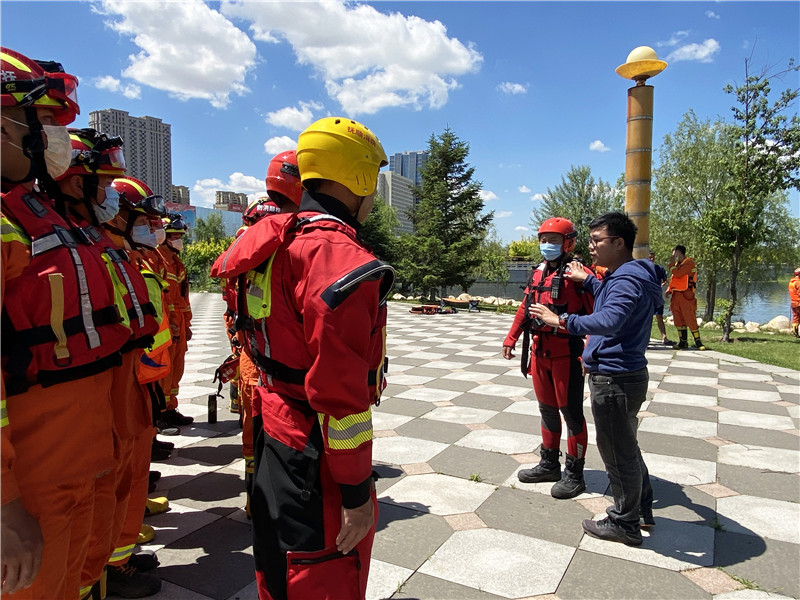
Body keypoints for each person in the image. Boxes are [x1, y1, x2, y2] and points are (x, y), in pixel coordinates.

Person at [211, 116, 394, 600]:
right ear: (359, 177)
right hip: (317, 454)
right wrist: (356, 494)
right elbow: (340, 396)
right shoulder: (338, 257)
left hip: (275, 428)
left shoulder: (274, 239)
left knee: (278, 567)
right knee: (323, 575)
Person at [1, 48, 130, 598]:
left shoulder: (31, 214)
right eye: (47, 121)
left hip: (80, 455)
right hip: (30, 478)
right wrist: (4, 506)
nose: (57, 138)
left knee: (77, 578)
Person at [54, 128, 164, 598]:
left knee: (112, 489)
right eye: (103, 189)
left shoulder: (103, 249)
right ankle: (103, 574)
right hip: (82, 405)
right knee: (79, 514)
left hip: (123, 387)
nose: (110, 202)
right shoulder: (76, 248)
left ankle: (108, 567)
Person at [529, 212, 663, 547]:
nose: (591, 248)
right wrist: (589, 282)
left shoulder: (626, 279)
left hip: (615, 378)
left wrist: (562, 321)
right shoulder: (628, 275)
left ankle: (624, 522)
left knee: (617, 452)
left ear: (618, 243)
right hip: (621, 374)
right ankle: (640, 508)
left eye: (596, 241)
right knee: (626, 447)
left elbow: (610, 318)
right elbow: (612, 298)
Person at [221, 150, 303, 519]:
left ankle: (262, 497)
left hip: (256, 351)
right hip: (270, 358)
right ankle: (263, 501)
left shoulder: (253, 243)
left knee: (259, 430)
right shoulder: (285, 241)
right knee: (264, 431)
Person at [502, 218, 594, 499]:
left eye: (554, 240)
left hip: (567, 354)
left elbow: (597, 316)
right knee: (547, 410)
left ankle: (575, 474)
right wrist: (511, 337)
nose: (547, 245)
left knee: (572, 414)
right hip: (540, 352)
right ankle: (549, 464)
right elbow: (525, 306)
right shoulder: (539, 272)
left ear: (569, 242)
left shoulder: (579, 275)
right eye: (544, 239)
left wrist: (590, 351)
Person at [156, 213, 194, 430]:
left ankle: (170, 408)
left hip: (178, 323)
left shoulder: (177, 264)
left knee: (177, 368)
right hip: (166, 325)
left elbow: (183, 299)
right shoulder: (157, 262)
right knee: (163, 369)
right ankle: (159, 414)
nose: (178, 240)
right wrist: (169, 323)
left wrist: (186, 325)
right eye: (174, 236)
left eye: (180, 235)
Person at [666, 245, 706, 350]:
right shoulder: (676, 265)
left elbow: (678, 274)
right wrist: (669, 290)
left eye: (674, 253)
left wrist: (670, 264)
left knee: (690, 318)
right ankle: (682, 342)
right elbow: (674, 279)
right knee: (678, 319)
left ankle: (698, 342)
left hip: (686, 296)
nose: (673, 256)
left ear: (679, 253)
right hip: (676, 296)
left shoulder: (689, 263)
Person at [648, 251, 674, 346]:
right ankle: (646, 338)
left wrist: (660, 286)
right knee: (647, 317)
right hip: (647, 296)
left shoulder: (659, 269)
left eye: (653, 257)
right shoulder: (644, 269)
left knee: (659, 316)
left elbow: (665, 281)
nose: (652, 259)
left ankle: (664, 338)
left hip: (657, 296)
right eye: (650, 257)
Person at [790, 267, 800, 338]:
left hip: (793, 302)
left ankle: (795, 331)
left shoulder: (791, 282)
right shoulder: (798, 282)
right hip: (799, 302)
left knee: (796, 318)